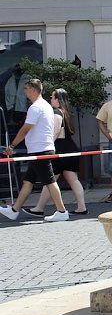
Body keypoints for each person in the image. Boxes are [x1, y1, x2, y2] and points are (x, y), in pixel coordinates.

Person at [0, 79, 69, 222]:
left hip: (40, 150)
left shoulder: (36, 107)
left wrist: (12, 146)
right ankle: (14, 210)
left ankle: (62, 211)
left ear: (33, 89)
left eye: (26, 88)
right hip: (40, 149)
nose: (24, 91)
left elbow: (25, 129)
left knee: (50, 181)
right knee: (28, 181)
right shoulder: (45, 106)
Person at [26, 88, 88, 216]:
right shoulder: (66, 112)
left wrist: (49, 146)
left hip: (59, 150)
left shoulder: (57, 113)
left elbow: (54, 131)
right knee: (72, 180)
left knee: (50, 180)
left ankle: (39, 207)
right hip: (69, 148)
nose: (50, 99)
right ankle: (81, 207)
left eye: (52, 97)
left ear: (57, 99)